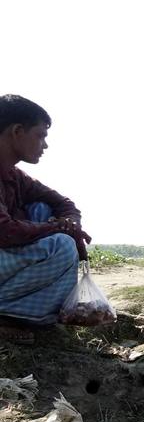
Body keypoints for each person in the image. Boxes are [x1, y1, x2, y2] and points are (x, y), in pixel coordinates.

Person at [0, 95, 88, 340]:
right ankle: (8, 313)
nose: (45, 145)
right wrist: (59, 231)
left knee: (43, 208)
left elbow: (64, 204)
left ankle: (18, 315)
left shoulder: (15, 176)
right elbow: (5, 231)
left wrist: (71, 226)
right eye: (40, 135)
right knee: (61, 243)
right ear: (17, 131)